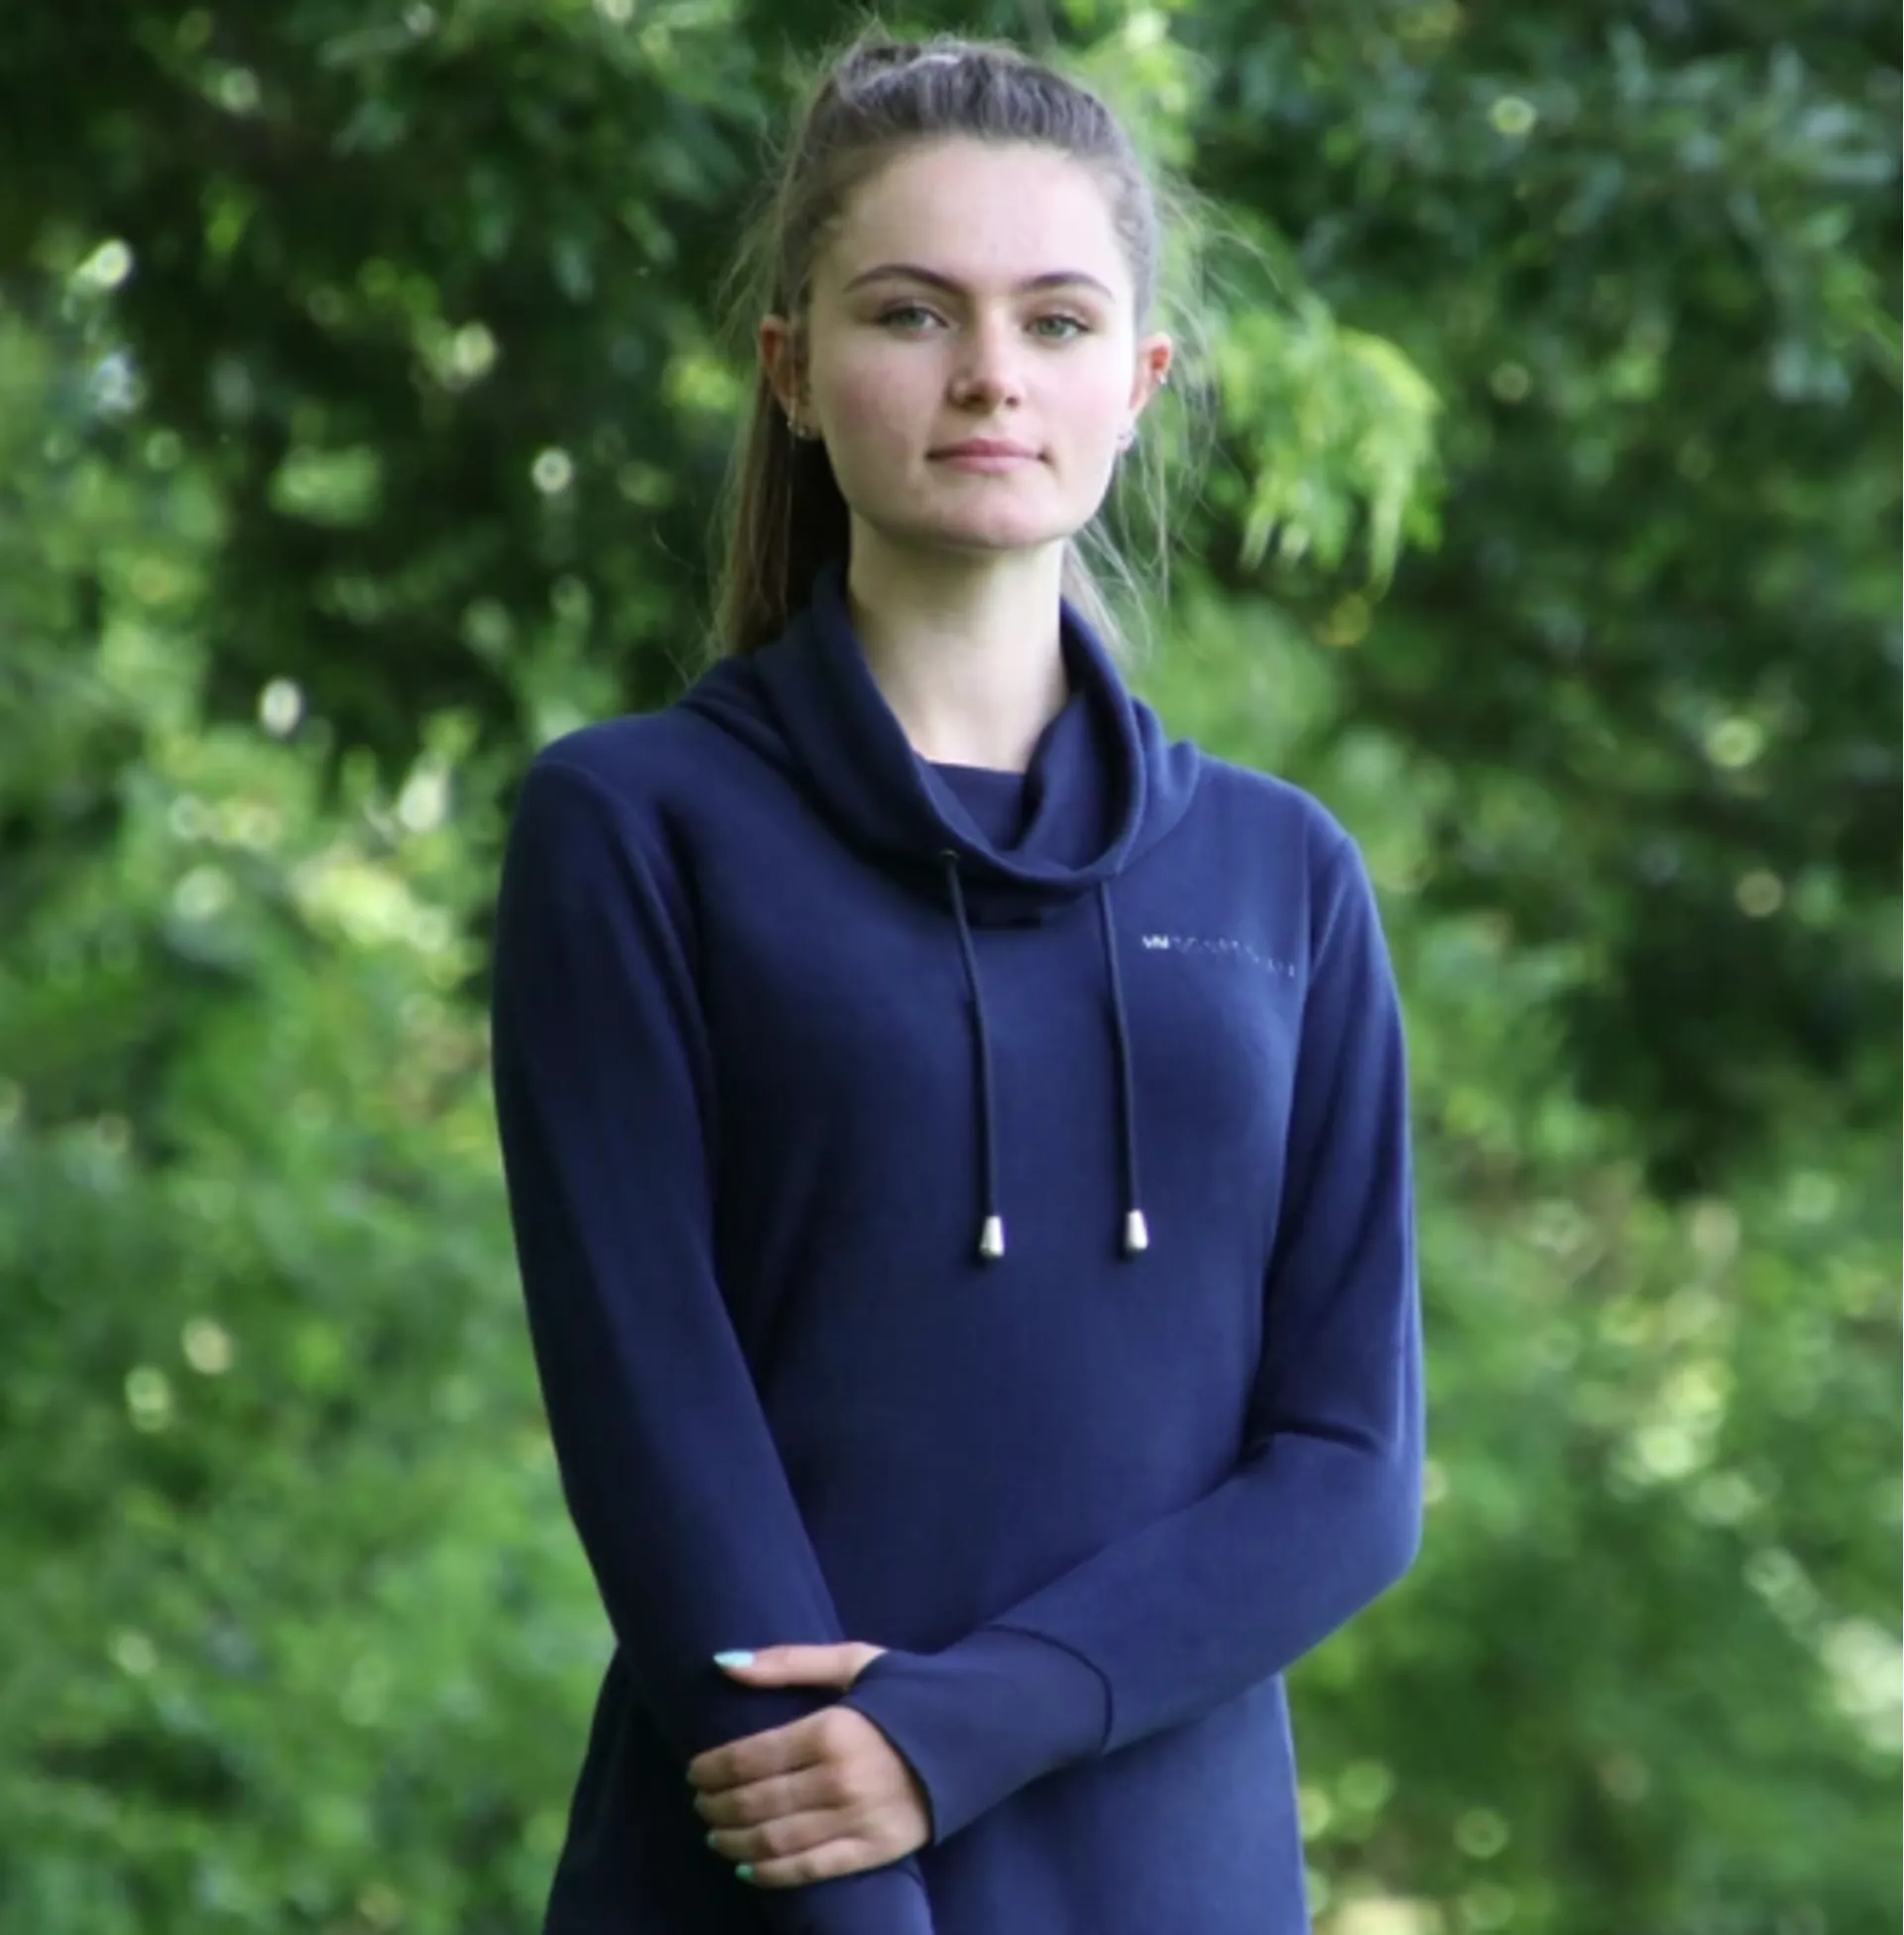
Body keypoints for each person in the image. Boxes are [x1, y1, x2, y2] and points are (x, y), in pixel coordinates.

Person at [489, 24, 1425, 1935]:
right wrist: (864, 1882)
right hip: (769, 1886)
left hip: (1182, 1883)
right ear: (793, 370)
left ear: (1139, 384)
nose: (991, 372)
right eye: (913, 313)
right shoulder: (634, 828)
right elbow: (659, 1428)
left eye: (1057, 320)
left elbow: (1350, 1473)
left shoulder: (1284, 878)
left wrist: (961, 1728)